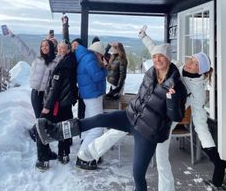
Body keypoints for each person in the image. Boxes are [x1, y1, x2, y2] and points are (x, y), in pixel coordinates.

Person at [36, 44, 187, 191]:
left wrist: (171, 100)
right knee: (99, 119)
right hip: (130, 116)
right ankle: (57, 132)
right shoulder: (150, 74)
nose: (157, 59)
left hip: (147, 132)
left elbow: (177, 116)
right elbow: (142, 98)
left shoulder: (177, 86)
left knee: (138, 174)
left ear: (168, 58)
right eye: (154, 56)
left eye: (161, 56)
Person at [138, 26, 226, 189]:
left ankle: (219, 165)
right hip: (152, 111)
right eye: (191, 59)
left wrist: (214, 157)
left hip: (167, 121)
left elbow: (200, 122)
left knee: (160, 155)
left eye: (195, 64)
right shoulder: (177, 66)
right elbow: (157, 52)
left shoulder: (197, 91)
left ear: (201, 71)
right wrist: (144, 37)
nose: (189, 63)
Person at [71, 39, 107, 170]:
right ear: (98, 53)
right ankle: (84, 157)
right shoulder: (91, 58)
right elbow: (97, 76)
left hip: (88, 94)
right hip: (93, 94)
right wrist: (105, 68)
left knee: (90, 122)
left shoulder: (84, 57)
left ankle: (85, 145)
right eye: (101, 56)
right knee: (98, 127)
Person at [40, 40, 78, 167]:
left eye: (63, 48)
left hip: (57, 104)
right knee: (66, 128)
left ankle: (43, 159)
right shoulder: (71, 61)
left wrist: (47, 107)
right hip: (66, 103)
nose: (60, 50)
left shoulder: (62, 67)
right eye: (59, 48)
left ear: (68, 50)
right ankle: (64, 155)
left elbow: (54, 89)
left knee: (42, 127)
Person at [30, 39, 59, 170]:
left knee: (43, 124)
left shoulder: (55, 62)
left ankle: (44, 155)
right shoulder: (36, 59)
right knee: (41, 124)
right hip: (36, 95)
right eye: (42, 46)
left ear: (51, 47)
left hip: (47, 96)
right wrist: (12, 35)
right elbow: (24, 48)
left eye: (47, 45)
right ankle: (44, 156)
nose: (44, 48)